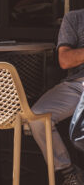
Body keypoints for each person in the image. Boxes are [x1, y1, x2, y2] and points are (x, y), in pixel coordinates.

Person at [29, 12, 84, 185]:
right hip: (76, 83)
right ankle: (68, 172)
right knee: (37, 118)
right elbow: (65, 60)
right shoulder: (75, 18)